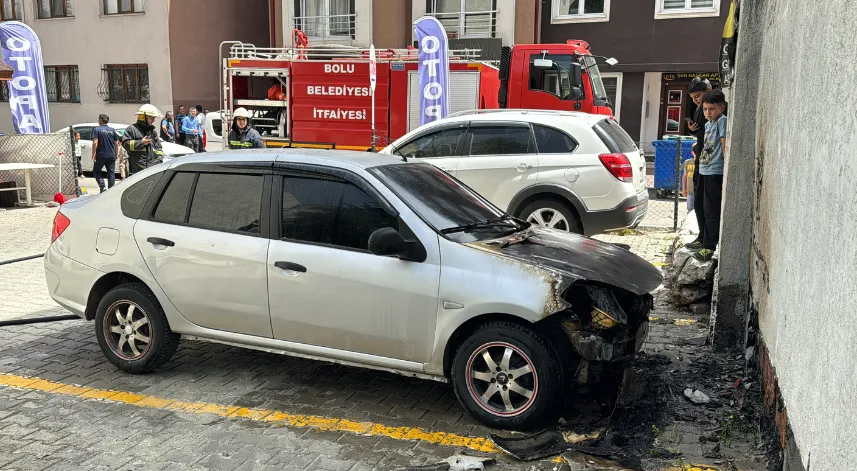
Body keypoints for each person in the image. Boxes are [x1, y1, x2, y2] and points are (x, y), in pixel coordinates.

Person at [694, 89, 728, 262]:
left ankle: (709, 246)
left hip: (715, 172)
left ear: (721, 108)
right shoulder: (708, 124)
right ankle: (703, 239)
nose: (708, 112)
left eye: (712, 109)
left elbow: (724, 146)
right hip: (704, 170)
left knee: (711, 210)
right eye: (706, 109)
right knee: (700, 207)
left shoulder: (723, 121)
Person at [684, 77, 711, 249]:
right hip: (700, 158)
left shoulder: (710, 110)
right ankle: (702, 237)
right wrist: (693, 129)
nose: (696, 100)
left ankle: (706, 239)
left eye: (698, 95)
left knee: (704, 201)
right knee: (699, 201)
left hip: (707, 161)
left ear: (707, 92)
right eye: (693, 97)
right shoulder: (698, 110)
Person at [122, 104, 165, 176]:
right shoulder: (132, 129)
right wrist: (141, 142)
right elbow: (126, 144)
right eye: (151, 118)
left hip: (152, 168)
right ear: (143, 117)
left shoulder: (152, 131)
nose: (154, 120)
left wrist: (159, 160)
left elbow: (159, 148)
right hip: (138, 170)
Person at [91, 114, 120, 193]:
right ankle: (111, 190)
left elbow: (95, 143)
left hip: (101, 155)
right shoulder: (113, 130)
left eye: (98, 119)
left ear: (101, 120)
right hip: (111, 155)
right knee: (111, 173)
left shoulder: (97, 129)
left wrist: (93, 153)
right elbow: (116, 143)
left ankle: (102, 186)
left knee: (96, 171)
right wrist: (116, 154)